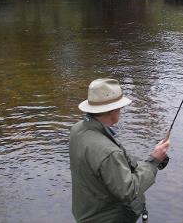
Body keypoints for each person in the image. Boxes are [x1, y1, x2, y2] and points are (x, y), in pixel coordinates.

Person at [69, 78, 170, 223]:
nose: (121, 111)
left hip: (86, 212)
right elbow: (129, 191)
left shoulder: (78, 129)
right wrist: (154, 162)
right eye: (120, 107)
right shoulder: (108, 152)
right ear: (112, 110)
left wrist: (151, 159)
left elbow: (112, 164)